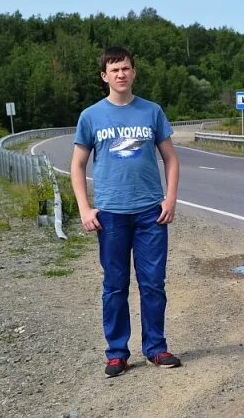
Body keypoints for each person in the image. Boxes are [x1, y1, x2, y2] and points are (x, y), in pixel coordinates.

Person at [71, 46, 181, 378]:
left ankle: (156, 348)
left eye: (126, 68)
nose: (121, 74)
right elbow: (77, 165)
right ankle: (117, 353)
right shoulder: (91, 116)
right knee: (115, 285)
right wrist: (85, 208)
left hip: (151, 213)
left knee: (152, 284)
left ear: (134, 72)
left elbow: (171, 159)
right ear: (105, 76)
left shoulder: (152, 112)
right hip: (111, 215)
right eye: (114, 70)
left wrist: (171, 198)